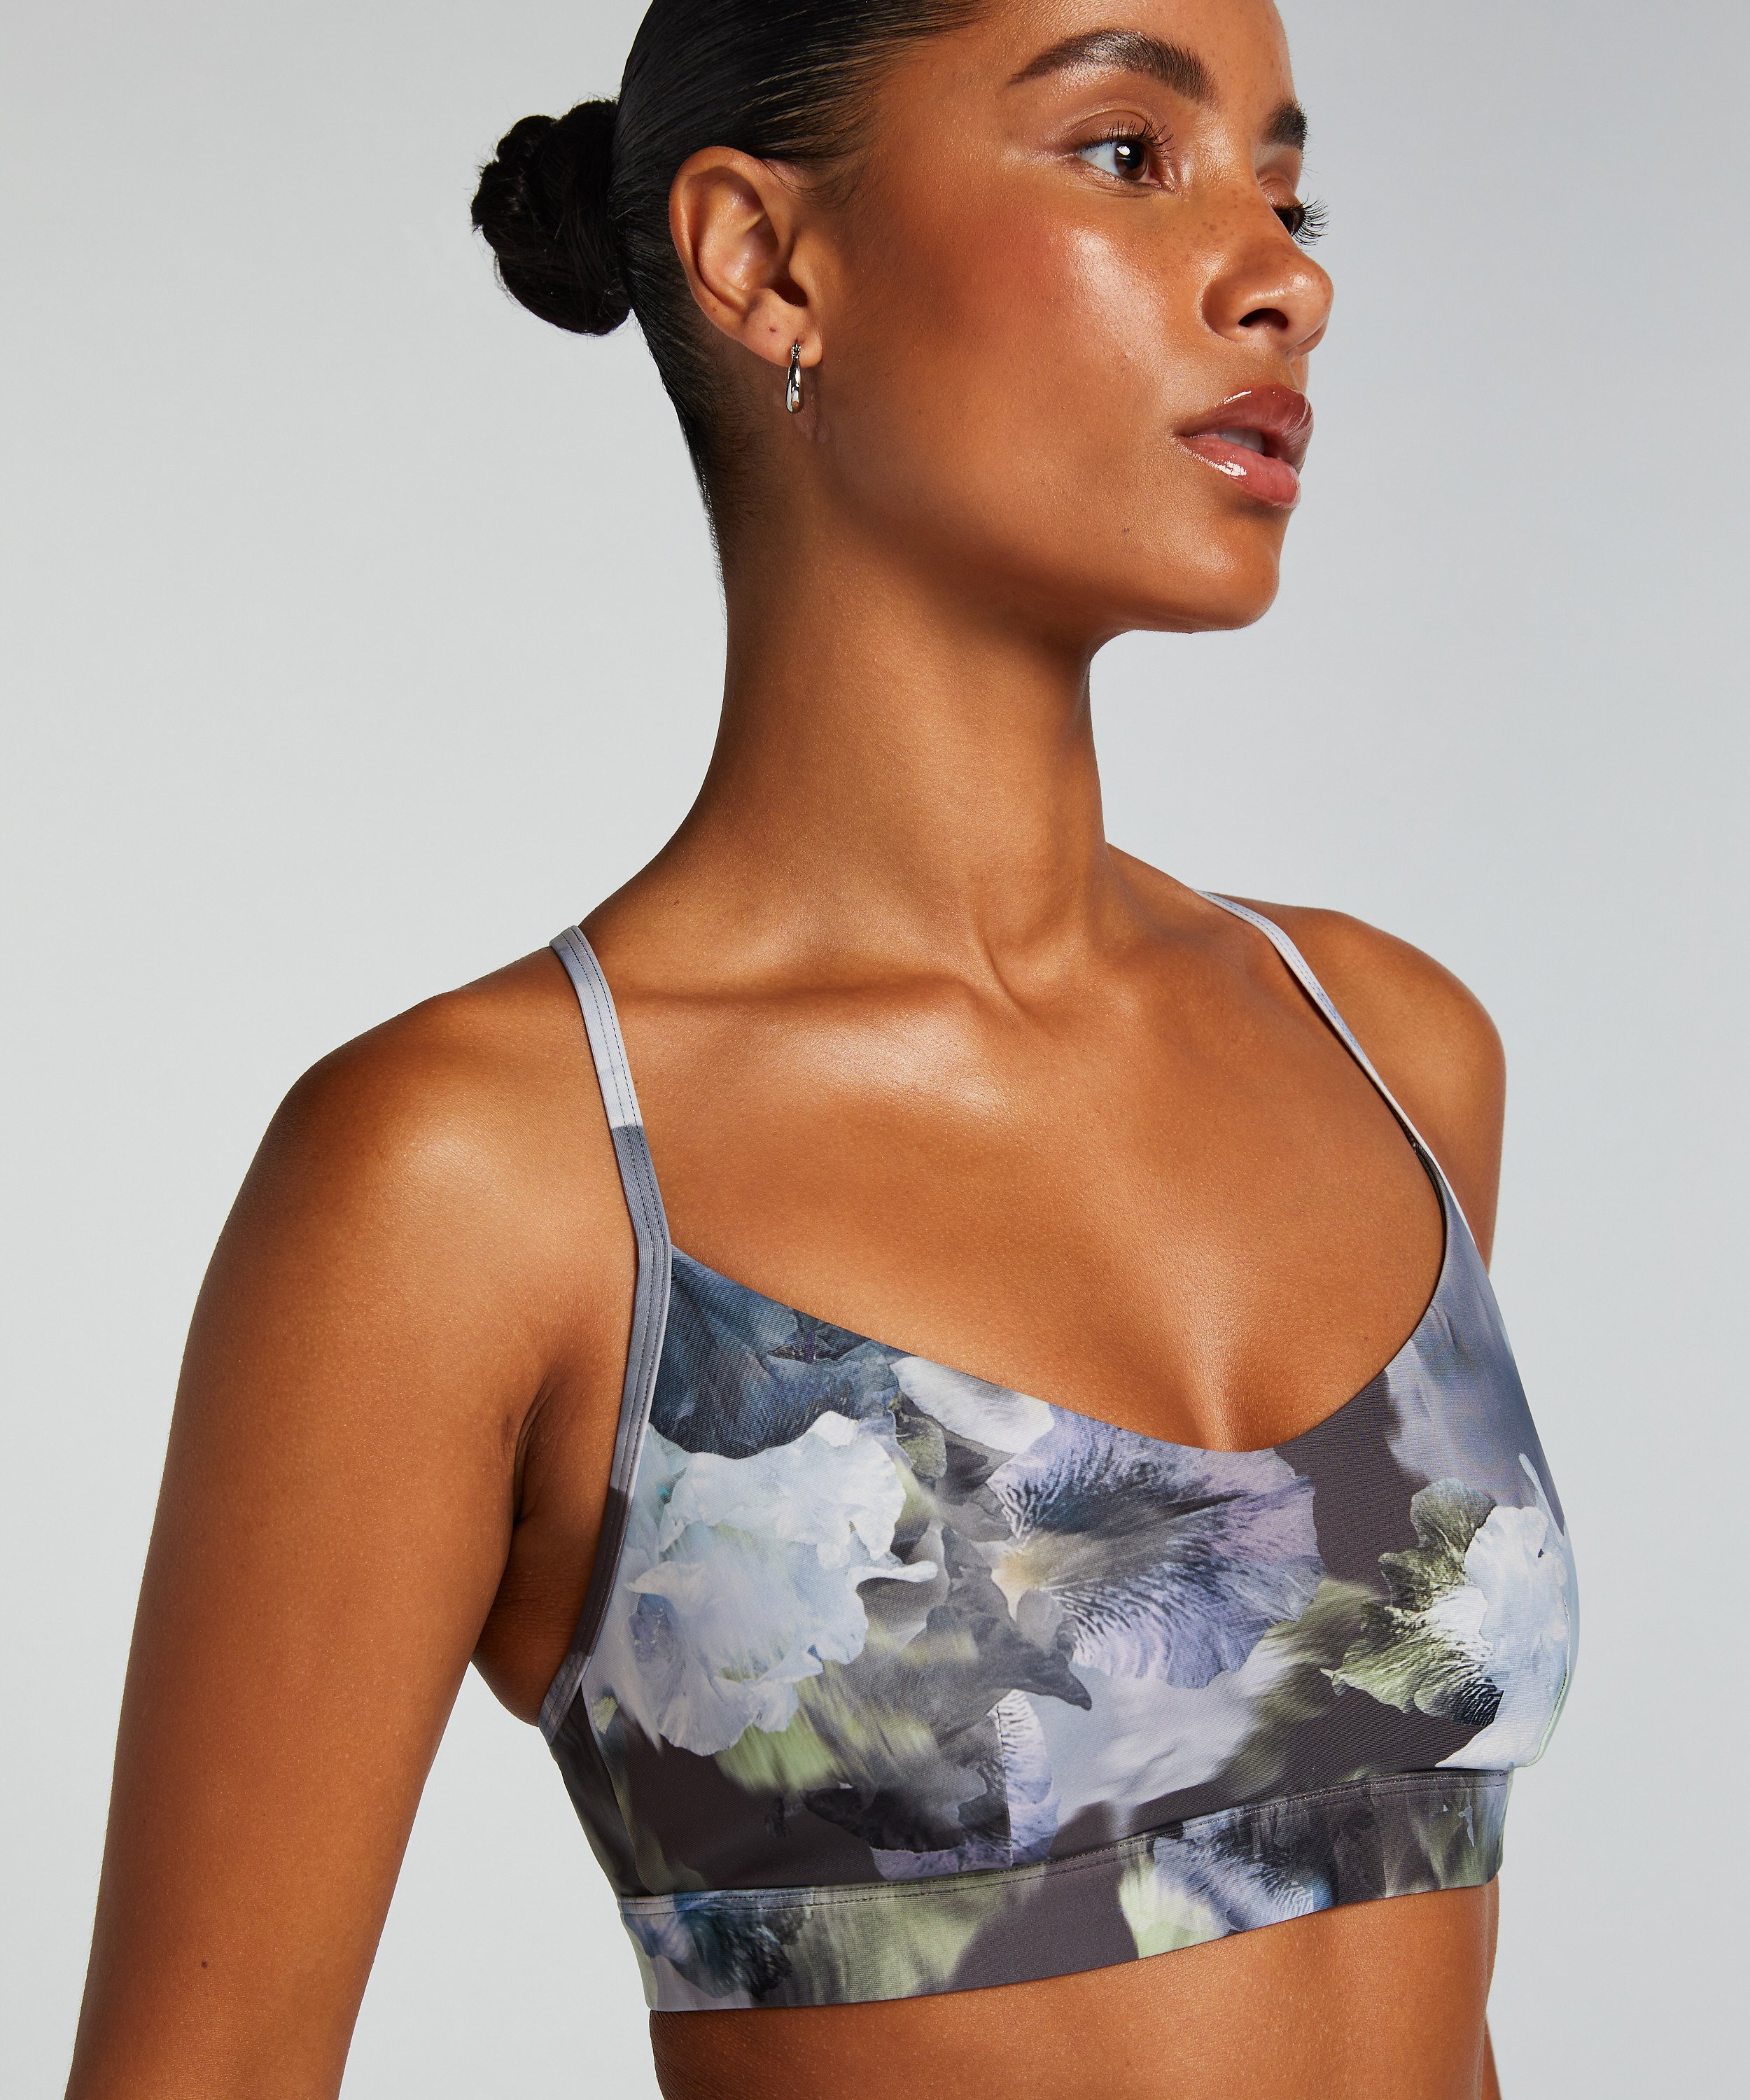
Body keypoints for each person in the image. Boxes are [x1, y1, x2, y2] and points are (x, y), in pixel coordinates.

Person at [66, 3, 1576, 2096]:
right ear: (765, 261)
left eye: (1288, 193)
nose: (1281, 277)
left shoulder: (1385, 1048)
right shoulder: (484, 1174)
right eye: (1128, 154)